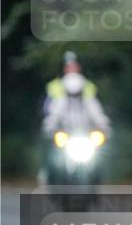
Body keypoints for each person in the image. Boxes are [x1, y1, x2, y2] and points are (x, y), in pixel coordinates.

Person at [40, 51, 111, 182]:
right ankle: (48, 177)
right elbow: (52, 113)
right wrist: (50, 128)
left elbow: (96, 110)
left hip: (85, 135)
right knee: (52, 157)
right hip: (64, 135)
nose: (72, 69)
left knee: (99, 159)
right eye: (68, 66)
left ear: (80, 67)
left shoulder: (88, 87)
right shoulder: (56, 88)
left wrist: (104, 127)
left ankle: (96, 183)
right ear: (63, 68)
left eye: (74, 65)